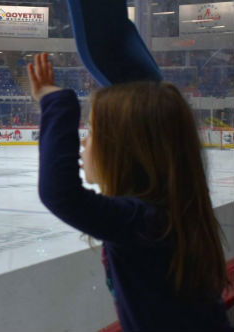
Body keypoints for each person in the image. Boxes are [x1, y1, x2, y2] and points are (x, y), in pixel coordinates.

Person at [28, 52, 231, 331]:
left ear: (123, 150)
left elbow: (60, 194)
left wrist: (56, 102)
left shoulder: (144, 222)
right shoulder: (172, 210)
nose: (84, 141)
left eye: (92, 130)